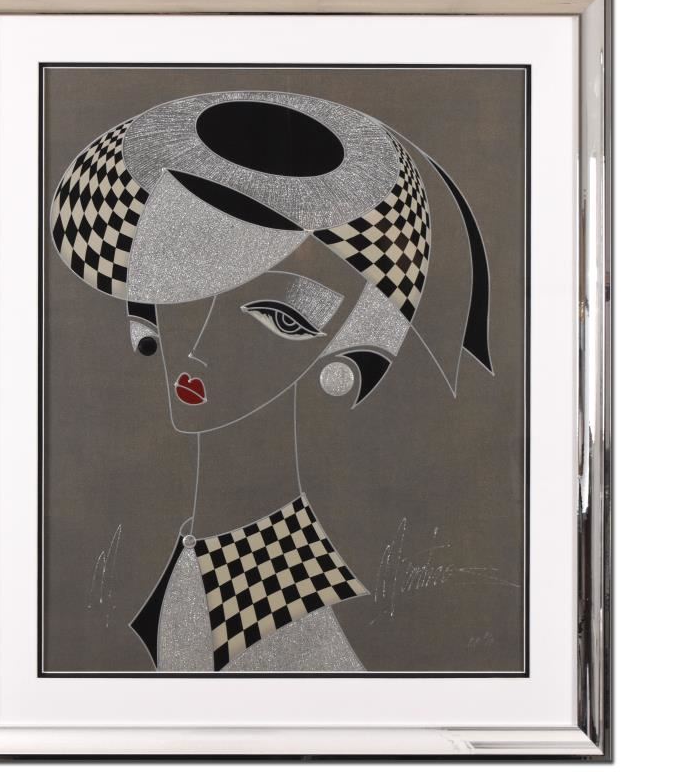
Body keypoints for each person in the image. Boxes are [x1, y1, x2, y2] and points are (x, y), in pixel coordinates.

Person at [50, 91, 491, 672]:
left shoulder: (280, 619)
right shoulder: (201, 555)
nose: (199, 347)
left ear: (347, 343)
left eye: (281, 317)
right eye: (191, 283)